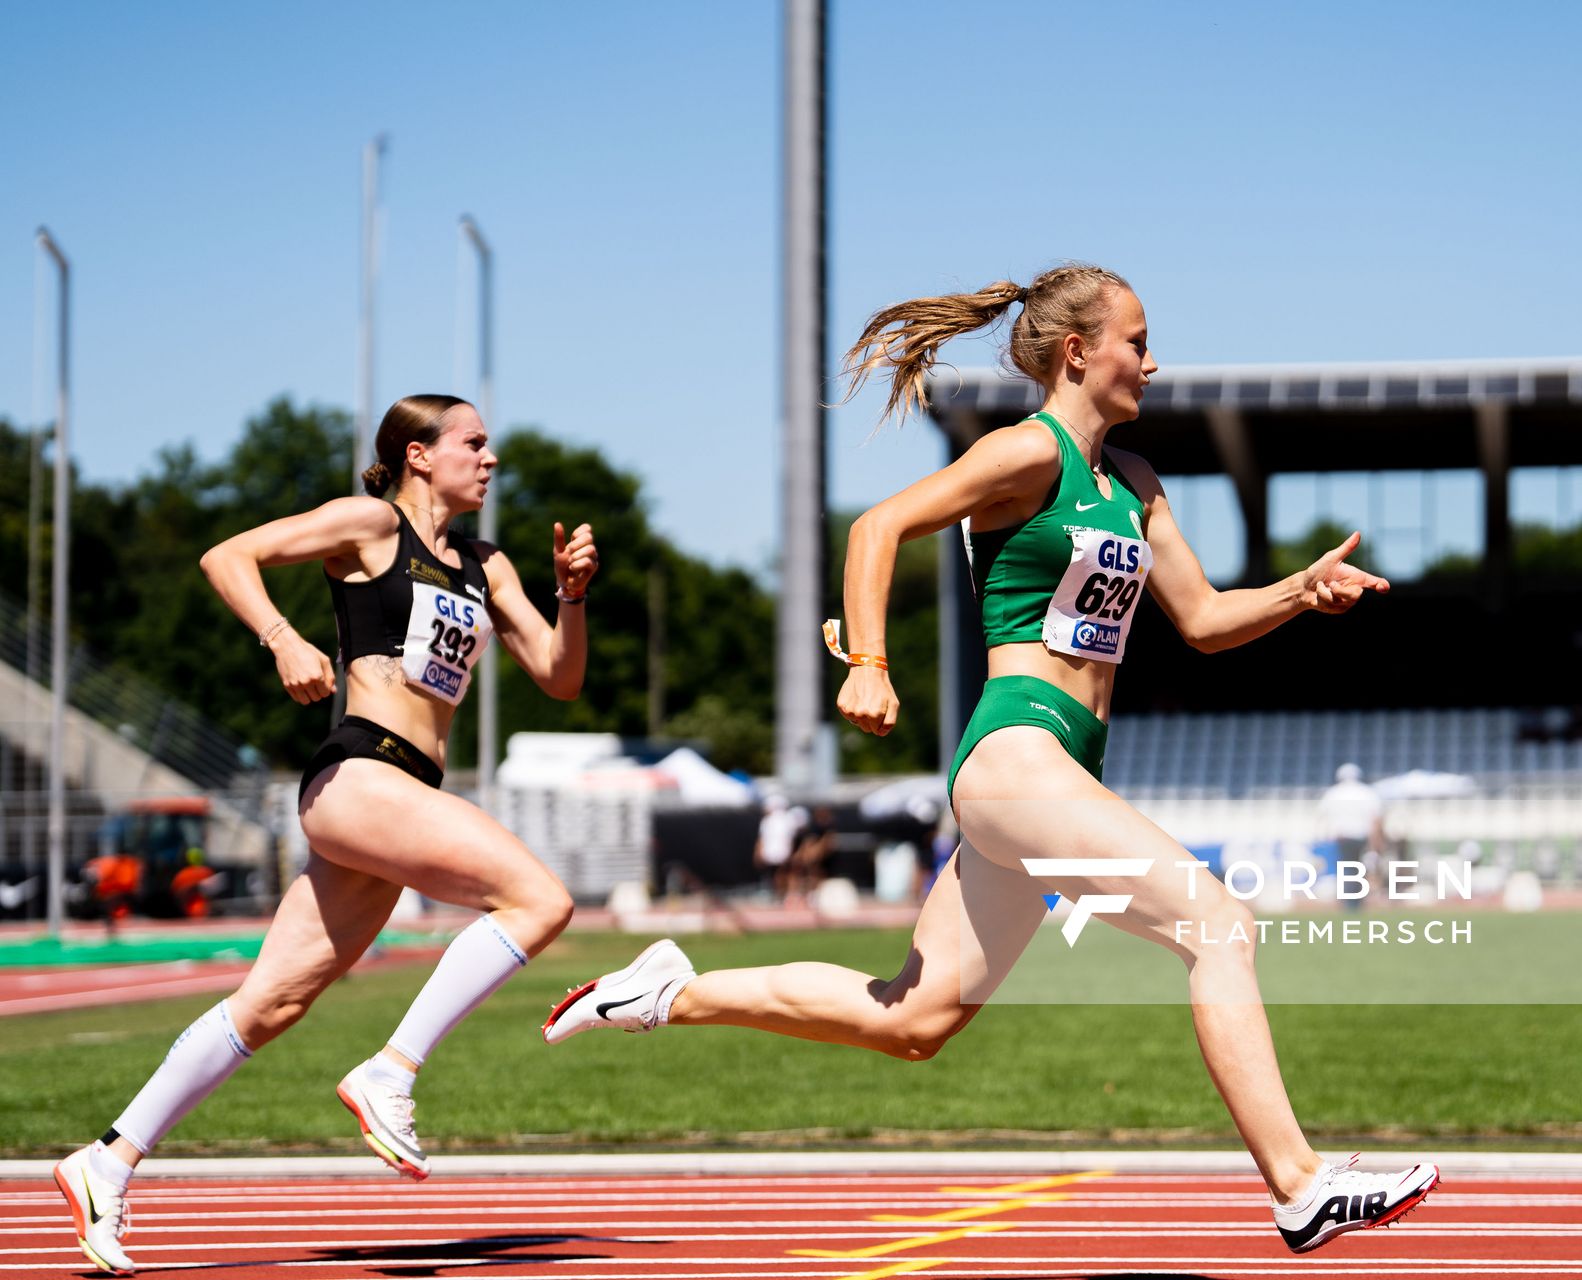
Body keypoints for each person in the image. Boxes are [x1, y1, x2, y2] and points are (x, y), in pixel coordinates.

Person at [542, 265, 1437, 1254]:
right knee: (1217, 921)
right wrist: (871, 663)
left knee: (911, 1017)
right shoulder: (1026, 454)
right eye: (1137, 339)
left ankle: (665, 989)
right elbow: (879, 526)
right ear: (1078, 352)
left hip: (1057, 773)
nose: (1153, 358)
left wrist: (1297, 595)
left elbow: (1203, 618)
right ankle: (1300, 1181)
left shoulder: (1134, 484)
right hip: (1016, 751)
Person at [54, 394, 596, 1275]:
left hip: (406, 789)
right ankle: (392, 1069)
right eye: (475, 444)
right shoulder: (370, 524)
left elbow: (559, 676)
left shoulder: (487, 565)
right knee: (540, 898)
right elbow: (227, 556)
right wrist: (282, 638)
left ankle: (105, 1162)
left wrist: (572, 598)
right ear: (419, 455)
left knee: (269, 1005)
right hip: (358, 769)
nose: (491, 460)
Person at [1317, 762, 1386, 911]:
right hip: (1362, 836)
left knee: (1348, 870)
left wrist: (1326, 836)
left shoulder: (1333, 793)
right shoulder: (1367, 792)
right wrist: (1377, 841)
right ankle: (1355, 902)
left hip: (1343, 837)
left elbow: (1323, 817)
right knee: (1359, 869)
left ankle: (1350, 902)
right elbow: (1376, 819)